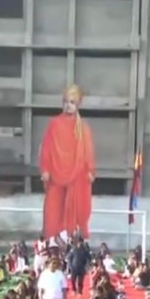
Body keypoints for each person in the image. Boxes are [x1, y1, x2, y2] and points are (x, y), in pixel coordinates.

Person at [39, 84, 95, 240]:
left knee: (76, 208)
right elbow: (46, 148)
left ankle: (72, 239)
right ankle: (51, 240)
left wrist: (90, 170)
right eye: (65, 102)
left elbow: (88, 151)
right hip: (56, 174)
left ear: (77, 105)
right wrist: (45, 169)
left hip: (77, 174)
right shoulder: (54, 123)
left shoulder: (83, 127)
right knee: (52, 209)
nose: (68, 105)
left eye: (72, 102)